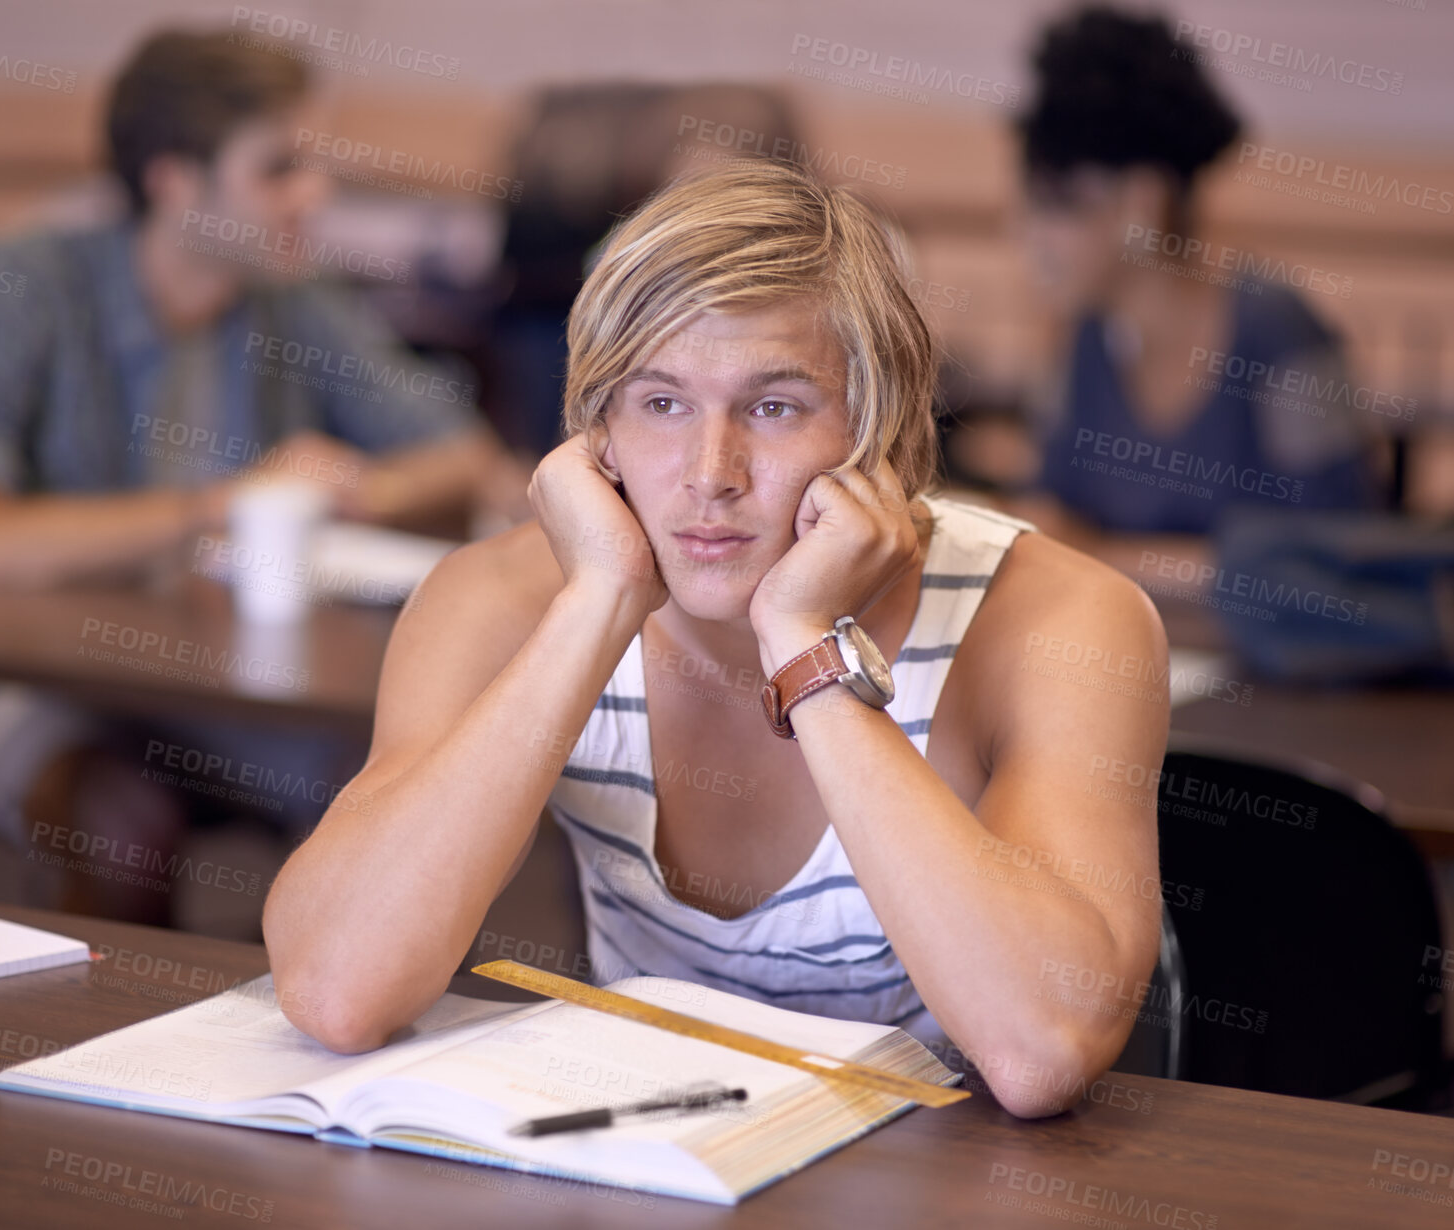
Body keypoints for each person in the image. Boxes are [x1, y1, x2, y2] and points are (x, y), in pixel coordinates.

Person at [263, 160, 1169, 1118]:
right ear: (594, 430)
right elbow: (335, 992)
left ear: (880, 427)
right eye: (660, 403)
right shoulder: (497, 600)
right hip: (637, 1162)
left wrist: (804, 643)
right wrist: (600, 600)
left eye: (774, 407)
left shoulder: (1058, 622)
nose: (710, 472)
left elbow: (1040, 1054)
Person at [0, 29, 522, 924]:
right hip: (36, 679)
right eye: (278, 169)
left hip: (226, 678)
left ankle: (339, 1038)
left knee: (402, 798)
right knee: (122, 824)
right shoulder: (19, 282)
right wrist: (218, 504)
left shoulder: (291, 295)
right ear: (174, 181)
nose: (313, 195)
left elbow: (462, 451)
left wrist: (351, 493)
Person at [1003, 6, 1386, 589]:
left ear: (1141, 203)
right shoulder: (1081, 341)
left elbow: (1338, 563)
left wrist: (1105, 552)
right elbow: (1051, 522)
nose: (1030, 237)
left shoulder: (1281, 334)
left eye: (1058, 203)